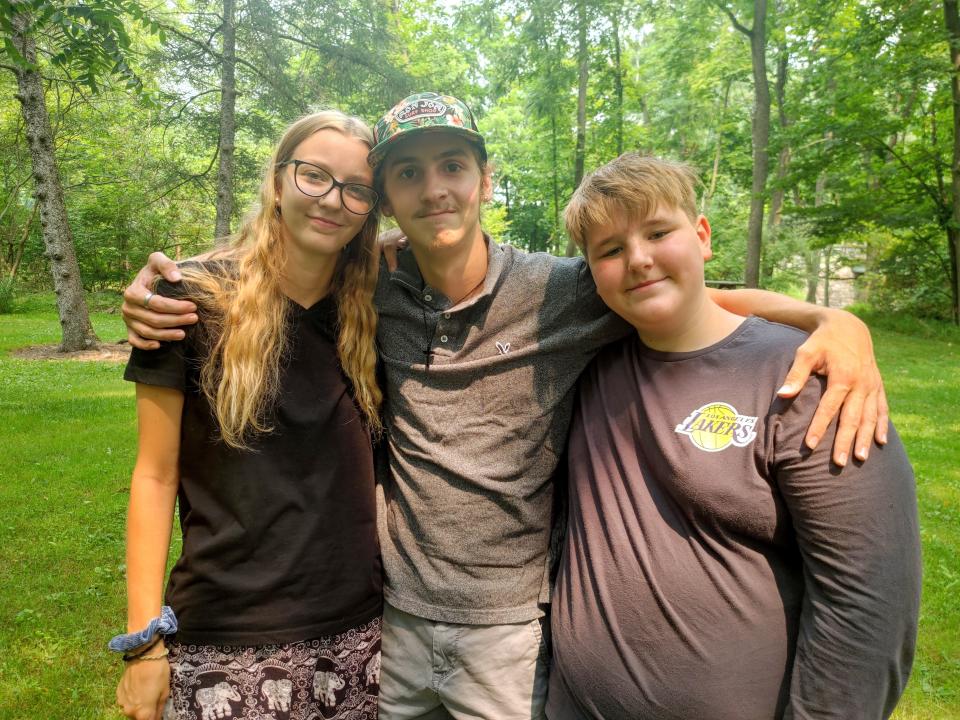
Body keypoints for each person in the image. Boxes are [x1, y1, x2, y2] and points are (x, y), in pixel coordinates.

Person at [119, 93, 890, 720]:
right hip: (392, 620)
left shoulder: (561, 291)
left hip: (509, 635)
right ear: (387, 199)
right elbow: (262, 277)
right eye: (408, 175)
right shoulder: (371, 290)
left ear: (485, 181)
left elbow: (686, 291)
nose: (435, 188)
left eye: (453, 166)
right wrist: (165, 289)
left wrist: (833, 322)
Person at [548, 153, 921, 719]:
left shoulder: (807, 379)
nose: (639, 259)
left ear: (702, 236)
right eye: (611, 249)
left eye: (657, 232)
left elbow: (869, 605)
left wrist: (834, 322)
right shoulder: (587, 361)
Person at [112, 111, 384, 720]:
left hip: (362, 634)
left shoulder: (376, 307)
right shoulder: (189, 301)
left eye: (358, 189)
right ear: (278, 181)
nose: (333, 200)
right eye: (314, 176)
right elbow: (154, 477)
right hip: (226, 639)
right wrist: (144, 643)